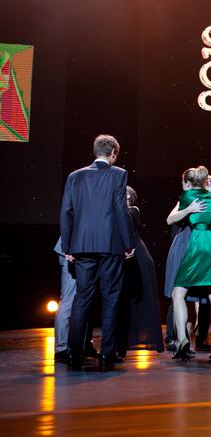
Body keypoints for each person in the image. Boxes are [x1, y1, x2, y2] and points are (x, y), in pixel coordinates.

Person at [59, 134, 135, 370]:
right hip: (110, 244)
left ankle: (74, 354)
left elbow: (66, 211)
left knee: (82, 298)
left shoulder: (75, 176)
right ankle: (106, 355)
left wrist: (67, 247)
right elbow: (120, 209)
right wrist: (128, 242)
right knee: (110, 298)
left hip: (81, 246)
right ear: (113, 153)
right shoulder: (118, 174)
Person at [171, 166, 211, 360]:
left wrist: (189, 210)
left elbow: (170, 220)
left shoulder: (188, 196)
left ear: (189, 182)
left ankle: (182, 339)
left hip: (198, 243)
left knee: (178, 293)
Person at [163, 174, 209, 352]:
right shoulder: (186, 200)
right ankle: (181, 340)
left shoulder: (206, 199)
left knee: (189, 298)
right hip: (186, 245)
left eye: (182, 182)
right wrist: (189, 209)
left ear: (188, 183)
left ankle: (184, 340)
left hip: (193, 246)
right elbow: (170, 219)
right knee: (180, 297)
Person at [116, 186, 164, 355]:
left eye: (125, 195)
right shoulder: (119, 211)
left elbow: (126, 220)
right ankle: (122, 341)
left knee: (137, 296)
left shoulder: (133, 211)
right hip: (124, 254)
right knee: (124, 299)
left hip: (137, 256)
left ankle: (131, 341)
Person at [52, 238, 96, 363]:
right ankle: (62, 349)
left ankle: (84, 345)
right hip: (72, 251)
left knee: (86, 300)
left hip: (83, 251)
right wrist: (69, 249)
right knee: (68, 300)